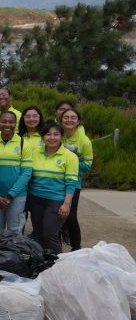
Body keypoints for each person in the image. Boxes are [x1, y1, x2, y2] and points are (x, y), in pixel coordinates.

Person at [27, 123, 78, 254]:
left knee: (50, 234)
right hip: (35, 199)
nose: (52, 137)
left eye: (56, 134)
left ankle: (60, 266)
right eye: (48, 134)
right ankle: (44, 264)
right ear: (43, 137)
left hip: (57, 201)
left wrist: (66, 204)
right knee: (39, 233)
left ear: (61, 137)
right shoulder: (35, 153)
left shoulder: (70, 156)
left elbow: (71, 182)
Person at [0, 111, 32, 236]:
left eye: (11, 122)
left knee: (15, 231)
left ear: (16, 124)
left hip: (17, 197)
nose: (7, 124)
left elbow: (26, 173)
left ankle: (15, 255)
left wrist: (11, 195)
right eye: (4, 121)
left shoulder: (24, 144)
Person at [60, 107, 93, 250]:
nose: (69, 120)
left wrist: (73, 162)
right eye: (66, 117)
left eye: (73, 118)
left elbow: (87, 167)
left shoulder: (84, 141)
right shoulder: (57, 135)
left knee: (70, 217)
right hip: (55, 182)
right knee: (55, 216)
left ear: (78, 121)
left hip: (73, 183)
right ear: (60, 120)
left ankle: (76, 248)